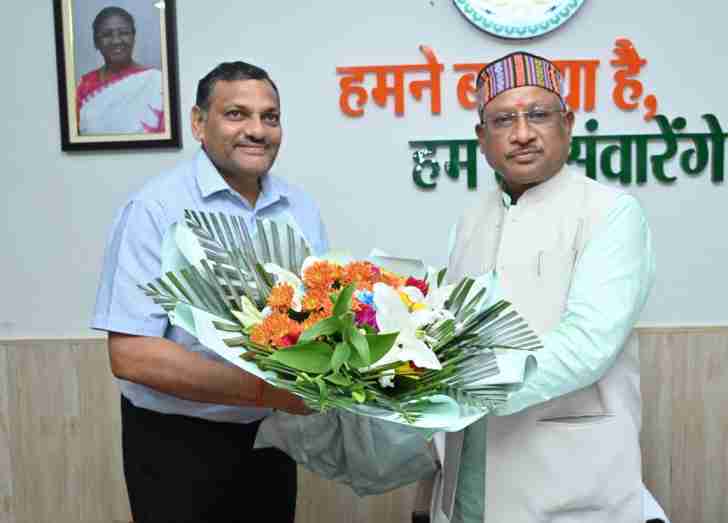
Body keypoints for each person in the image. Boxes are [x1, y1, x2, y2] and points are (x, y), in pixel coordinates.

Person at [417, 51, 656, 523]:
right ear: (482, 138)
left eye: (539, 115)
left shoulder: (611, 213)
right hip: (467, 482)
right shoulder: (468, 222)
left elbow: (586, 345)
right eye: (503, 120)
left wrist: (469, 383)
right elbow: (448, 334)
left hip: (567, 484)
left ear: (567, 124)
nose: (523, 133)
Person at [91, 61, 328, 523]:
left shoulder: (299, 209)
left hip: (271, 440)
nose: (257, 130)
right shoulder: (155, 209)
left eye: (270, 117)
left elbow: (317, 321)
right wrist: (266, 391)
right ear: (199, 124)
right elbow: (131, 355)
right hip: (176, 446)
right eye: (237, 114)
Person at [76, 6, 164, 135]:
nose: (116, 41)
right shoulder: (84, 86)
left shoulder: (157, 82)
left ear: (133, 37)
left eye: (123, 33)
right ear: (96, 42)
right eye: (107, 35)